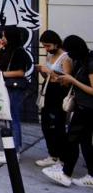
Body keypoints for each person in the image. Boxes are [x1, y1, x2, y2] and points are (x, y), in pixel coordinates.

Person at [42, 35, 93, 188]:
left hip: (87, 109)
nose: (68, 55)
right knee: (84, 142)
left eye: (70, 51)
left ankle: (66, 174)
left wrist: (73, 80)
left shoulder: (90, 62)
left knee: (72, 139)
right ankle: (90, 175)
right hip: (83, 106)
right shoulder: (83, 60)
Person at [0, 26, 31, 163]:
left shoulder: (19, 52)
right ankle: (10, 148)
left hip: (15, 88)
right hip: (7, 87)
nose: (2, 39)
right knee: (7, 117)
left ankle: (15, 151)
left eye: (4, 36)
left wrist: (0, 74)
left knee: (13, 117)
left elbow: (20, 72)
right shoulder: (7, 50)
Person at [34, 30, 71, 168]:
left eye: (48, 45)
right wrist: (43, 72)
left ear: (56, 43)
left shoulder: (65, 58)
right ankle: (52, 154)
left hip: (58, 93)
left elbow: (66, 81)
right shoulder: (50, 56)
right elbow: (49, 77)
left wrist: (50, 72)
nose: (46, 49)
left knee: (57, 125)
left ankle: (61, 156)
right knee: (46, 124)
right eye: (44, 46)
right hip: (48, 91)